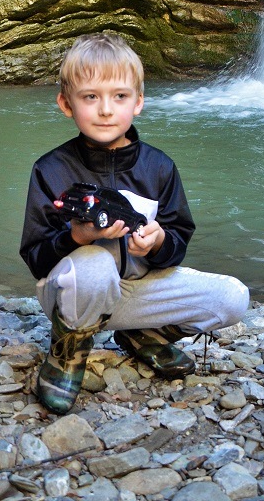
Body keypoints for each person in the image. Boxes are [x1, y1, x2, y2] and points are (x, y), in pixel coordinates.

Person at [20, 32, 250, 413]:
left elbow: (179, 238)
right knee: (92, 264)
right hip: (75, 295)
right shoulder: (50, 169)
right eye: (90, 97)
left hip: (138, 289)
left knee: (233, 297)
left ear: (138, 102)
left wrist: (159, 244)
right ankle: (68, 352)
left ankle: (143, 334)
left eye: (120, 96)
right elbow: (35, 257)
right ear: (66, 104)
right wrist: (76, 236)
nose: (106, 109)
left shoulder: (159, 167)